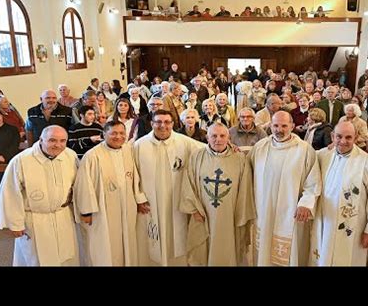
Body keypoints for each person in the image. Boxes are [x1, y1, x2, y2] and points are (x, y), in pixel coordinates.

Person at [0, 125, 80, 266]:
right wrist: (15, 224)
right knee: (36, 259)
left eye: (62, 141)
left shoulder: (70, 156)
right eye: (52, 140)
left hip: (63, 216)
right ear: (41, 140)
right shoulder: (22, 160)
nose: (58, 145)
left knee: (66, 257)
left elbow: (77, 186)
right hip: (34, 220)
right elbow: (10, 192)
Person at [248, 111, 321, 266]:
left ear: (292, 126)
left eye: (283, 125)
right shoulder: (260, 147)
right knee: (263, 254)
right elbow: (246, 171)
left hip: (290, 212)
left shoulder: (304, 150)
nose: (279, 129)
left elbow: (313, 182)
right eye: (275, 125)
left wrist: (305, 204)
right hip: (263, 210)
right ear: (270, 126)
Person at [133, 110, 205, 266]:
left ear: (173, 124)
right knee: (152, 242)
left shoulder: (184, 142)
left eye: (167, 122)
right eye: (158, 122)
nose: (162, 126)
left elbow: (207, 150)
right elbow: (133, 174)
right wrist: (139, 198)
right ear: (151, 124)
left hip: (176, 201)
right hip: (151, 202)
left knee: (177, 240)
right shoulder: (140, 145)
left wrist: (230, 145)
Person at [309, 121, 368, 266]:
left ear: (356, 138)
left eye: (348, 137)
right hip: (325, 222)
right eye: (339, 136)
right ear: (332, 136)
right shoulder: (321, 156)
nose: (343, 141)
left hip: (354, 227)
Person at [180, 123, 256, 266]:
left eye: (222, 136)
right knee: (203, 251)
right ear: (207, 137)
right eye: (214, 136)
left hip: (230, 214)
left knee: (229, 247)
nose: (218, 139)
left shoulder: (240, 159)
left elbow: (245, 189)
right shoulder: (197, 156)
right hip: (203, 214)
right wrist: (194, 210)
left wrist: (241, 215)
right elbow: (187, 183)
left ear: (229, 137)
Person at [73, 121, 144, 266]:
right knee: (104, 246)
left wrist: (139, 199)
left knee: (127, 243)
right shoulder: (92, 156)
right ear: (104, 134)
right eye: (113, 133)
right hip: (102, 210)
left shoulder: (128, 150)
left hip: (126, 206)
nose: (118, 137)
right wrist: (86, 211)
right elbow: (84, 184)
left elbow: (135, 177)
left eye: (121, 133)